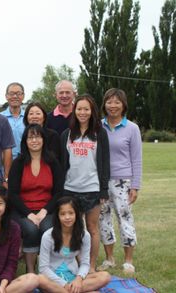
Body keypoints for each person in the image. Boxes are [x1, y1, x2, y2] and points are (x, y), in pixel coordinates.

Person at [60, 94, 110, 273]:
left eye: (86, 109)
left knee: (92, 228)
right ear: (74, 111)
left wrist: (103, 190)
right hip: (70, 188)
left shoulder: (99, 133)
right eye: (79, 109)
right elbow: (62, 164)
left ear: (92, 111)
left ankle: (91, 265)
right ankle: (77, 264)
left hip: (92, 189)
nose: (83, 112)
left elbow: (104, 162)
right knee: (73, 228)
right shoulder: (67, 134)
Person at [8, 124, 63, 273]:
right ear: (25, 141)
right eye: (30, 137)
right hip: (22, 211)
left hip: (47, 209)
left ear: (43, 139)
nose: (34, 140)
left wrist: (44, 211)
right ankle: (31, 271)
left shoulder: (52, 162)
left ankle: (48, 270)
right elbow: (12, 194)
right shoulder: (18, 163)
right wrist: (29, 214)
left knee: (47, 229)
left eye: (37, 136)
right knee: (31, 229)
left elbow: (58, 192)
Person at [98, 88, 142, 274]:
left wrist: (135, 186)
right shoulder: (97, 126)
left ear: (123, 105)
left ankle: (128, 261)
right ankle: (109, 259)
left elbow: (137, 158)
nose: (113, 105)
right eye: (109, 101)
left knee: (125, 219)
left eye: (117, 102)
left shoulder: (132, 128)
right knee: (103, 219)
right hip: (100, 180)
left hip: (123, 181)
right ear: (104, 104)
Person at [38, 196, 111, 292]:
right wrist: (64, 284)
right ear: (57, 216)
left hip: (73, 278)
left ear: (76, 214)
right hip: (53, 280)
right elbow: (43, 268)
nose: (67, 217)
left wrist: (78, 279)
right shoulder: (48, 236)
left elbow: (85, 264)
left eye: (71, 213)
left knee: (105, 276)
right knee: (40, 279)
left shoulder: (84, 235)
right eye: (63, 214)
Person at [0, 82, 26, 159]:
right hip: (3, 163)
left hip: (25, 162)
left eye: (18, 93)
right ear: (6, 96)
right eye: (11, 94)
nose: (15, 96)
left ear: (23, 96)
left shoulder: (29, 117)